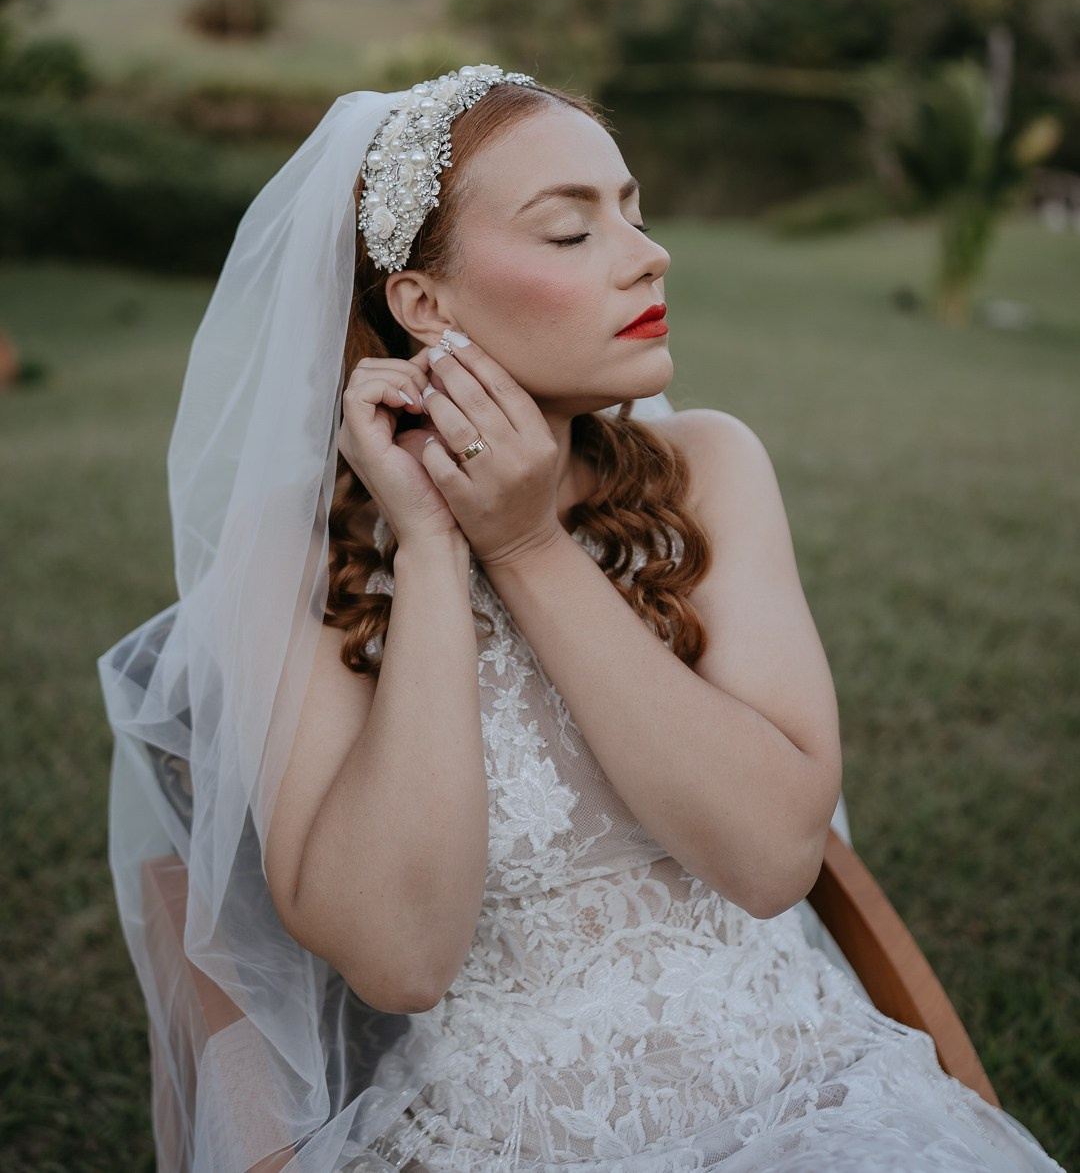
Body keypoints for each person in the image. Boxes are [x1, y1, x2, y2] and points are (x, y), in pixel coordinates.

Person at [100, 67, 1063, 1172]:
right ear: (424, 305)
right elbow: (402, 959)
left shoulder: (709, 470)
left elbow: (772, 861)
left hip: (812, 1096)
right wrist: (429, 546)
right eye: (570, 231)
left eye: (634, 211)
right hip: (495, 1141)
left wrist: (526, 547)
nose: (648, 254)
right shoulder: (292, 559)